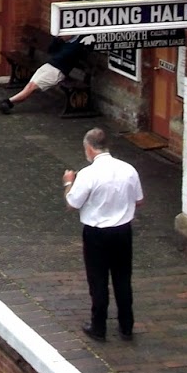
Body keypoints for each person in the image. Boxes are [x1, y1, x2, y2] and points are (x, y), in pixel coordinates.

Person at [63, 127, 143, 341]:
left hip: (96, 233)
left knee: (98, 280)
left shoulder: (88, 174)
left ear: (89, 148)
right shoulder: (128, 169)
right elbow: (139, 200)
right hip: (123, 232)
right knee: (123, 279)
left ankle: (99, 327)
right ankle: (126, 325)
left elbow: (72, 203)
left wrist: (69, 181)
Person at [0, 34, 88, 113]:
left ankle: (7, 102)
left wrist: (62, 42)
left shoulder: (76, 45)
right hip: (49, 66)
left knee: (31, 88)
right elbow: (51, 50)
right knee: (29, 86)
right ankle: (8, 104)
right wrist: (56, 39)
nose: (61, 36)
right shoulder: (64, 42)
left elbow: (62, 56)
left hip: (57, 71)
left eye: (63, 34)